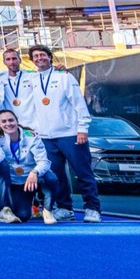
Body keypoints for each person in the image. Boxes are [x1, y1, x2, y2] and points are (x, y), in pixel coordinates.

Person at [26, 44, 101, 222]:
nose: (39, 58)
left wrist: (82, 129)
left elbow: (79, 103)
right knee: (57, 176)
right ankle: (65, 208)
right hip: (46, 137)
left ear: (49, 57)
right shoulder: (32, 79)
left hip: (70, 134)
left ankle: (92, 208)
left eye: (42, 55)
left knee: (83, 172)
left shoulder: (64, 76)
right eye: (36, 56)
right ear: (32, 60)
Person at [0, 109, 58, 225]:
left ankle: (47, 209)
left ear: (17, 121)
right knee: (22, 215)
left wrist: (34, 172)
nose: (8, 124)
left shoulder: (32, 136)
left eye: (11, 120)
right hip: (13, 181)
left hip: (30, 179)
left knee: (50, 177)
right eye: (4, 121)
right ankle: (4, 208)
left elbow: (44, 161)